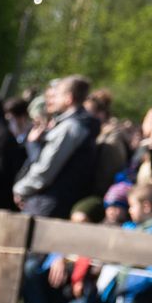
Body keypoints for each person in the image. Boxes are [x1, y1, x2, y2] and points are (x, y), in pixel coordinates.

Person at [13, 76, 98, 219]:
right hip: (54, 201)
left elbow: (46, 168)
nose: (52, 99)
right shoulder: (77, 124)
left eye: (57, 95)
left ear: (68, 98)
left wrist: (21, 189)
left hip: (48, 203)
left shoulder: (70, 127)